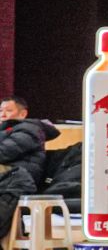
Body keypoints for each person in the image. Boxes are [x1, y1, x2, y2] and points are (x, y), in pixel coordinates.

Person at [0, 97, 57, 240]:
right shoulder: (6, 130)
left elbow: (4, 152)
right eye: (1, 111)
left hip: (19, 177)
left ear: (22, 114)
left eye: (8, 110)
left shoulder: (29, 129)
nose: (3, 114)